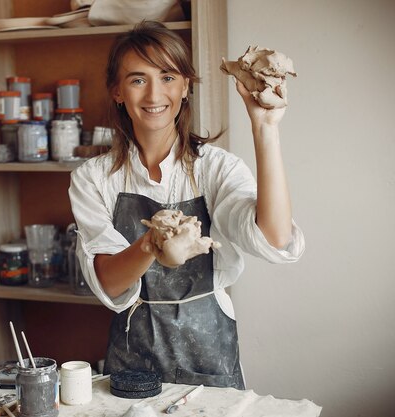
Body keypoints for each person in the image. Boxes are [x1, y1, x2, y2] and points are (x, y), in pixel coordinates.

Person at [68, 21, 304, 389]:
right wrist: (151, 244)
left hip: (209, 357)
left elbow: (275, 239)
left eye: (167, 76)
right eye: (137, 79)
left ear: (185, 87)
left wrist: (265, 128)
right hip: (131, 360)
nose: (153, 94)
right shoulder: (93, 178)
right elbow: (110, 284)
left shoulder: (216, 168)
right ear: (117, 91)